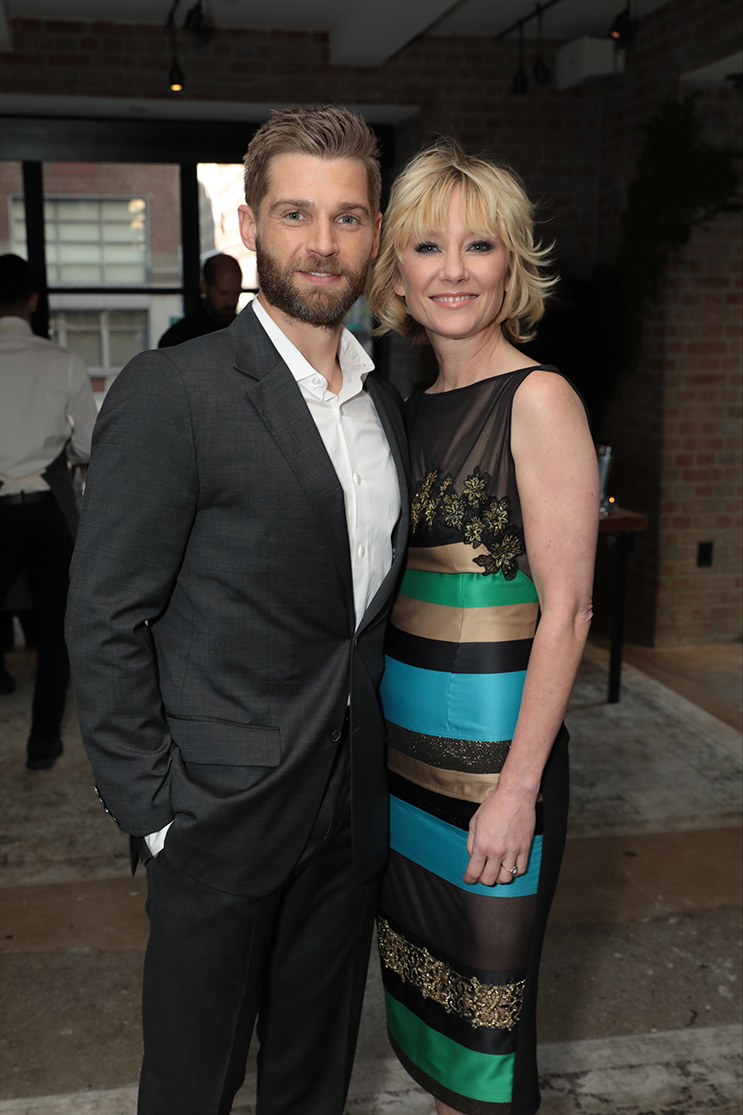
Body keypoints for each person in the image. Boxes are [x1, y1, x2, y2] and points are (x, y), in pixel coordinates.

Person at [65, 106, 408, 1115]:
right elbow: (104, 616)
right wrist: (156, 814)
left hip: (348, 813)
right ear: (251, 226)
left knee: (311, 1083)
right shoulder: (174, 390)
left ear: (374, 234)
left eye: (347, 216)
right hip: (214, 818)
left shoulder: (385, 401)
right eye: (295, 214)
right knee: (192, 1086)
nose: (322, 242)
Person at [366, 139, 599, 1115]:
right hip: (401, 775)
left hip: (493, 779)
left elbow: (567, 611)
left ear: (511, 263)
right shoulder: (405, 409)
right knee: (429, 1025)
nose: (452, 270)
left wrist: (515, 792)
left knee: (488, 1053)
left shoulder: (537, 399)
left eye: (478, 245)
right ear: (396, 274)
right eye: (427, 247)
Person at [0, 253, 97, 768]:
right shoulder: (62, 361)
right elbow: (88, 444)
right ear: (34, 301)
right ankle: (42, 744)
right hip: (47, 509)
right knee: (57, 628)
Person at [158, 252, 243, 347]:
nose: (231, 302)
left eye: (236, 293)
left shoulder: (245, 330)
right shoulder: (177, 338)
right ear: (204, 287)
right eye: (223, 293)